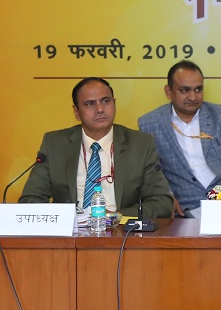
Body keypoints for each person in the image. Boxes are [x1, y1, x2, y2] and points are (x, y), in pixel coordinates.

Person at [20, 77, 174, 218]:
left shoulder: (140, 144)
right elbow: (30, 199)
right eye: (90, 104)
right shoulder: (55, 144)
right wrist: (66, 218)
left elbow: (162, 202)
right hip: (71, 232)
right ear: (76, 112)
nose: (100, 109)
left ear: (114, 103)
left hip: (121, 232)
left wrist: (115, 216)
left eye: (105, 101)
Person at [136, 61, 221, 215]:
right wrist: (166, 196)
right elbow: (151, 173)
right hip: (183, 209)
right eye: (184, 90)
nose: (193, 97)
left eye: (198, 89)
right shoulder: (150, 124)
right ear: (169, 92)